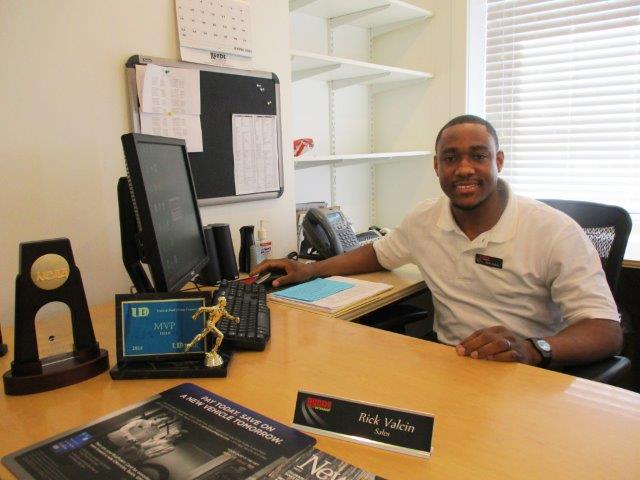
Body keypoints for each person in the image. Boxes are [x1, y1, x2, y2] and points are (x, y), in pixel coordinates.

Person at [251, 115, 623, 368]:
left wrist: (534, 349)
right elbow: (378, 254)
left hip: (526, 371)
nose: (464, 168)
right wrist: (310, 269)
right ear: (436, 167)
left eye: (478, 156)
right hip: (449, 361)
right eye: (451, 158)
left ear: (499, 161)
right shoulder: (425, 219)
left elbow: (605, 331)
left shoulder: (554, 231)